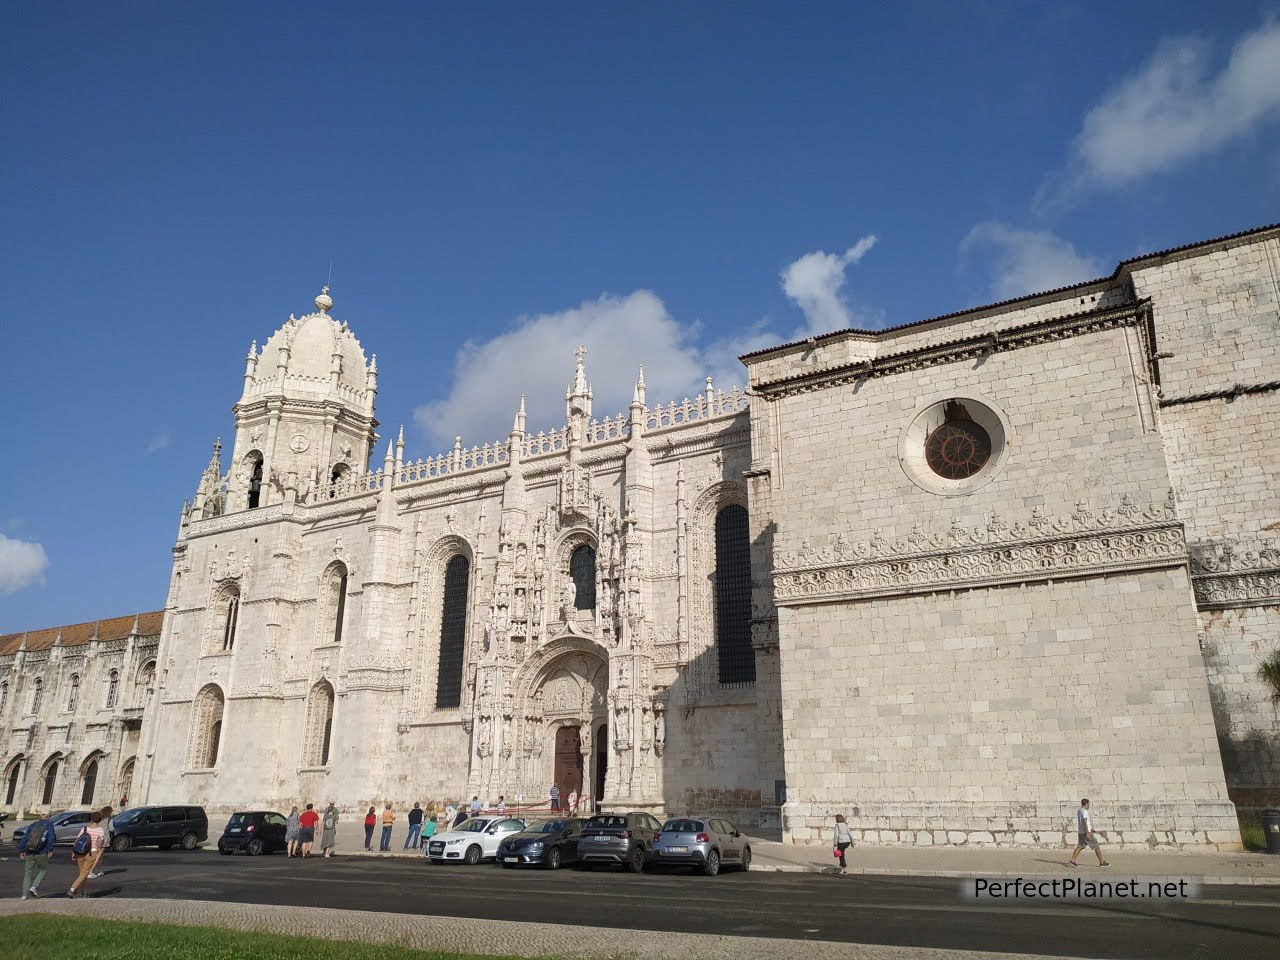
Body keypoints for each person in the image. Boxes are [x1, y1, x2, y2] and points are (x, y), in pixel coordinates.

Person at [67, 812, 107, 898]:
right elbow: (101, 841)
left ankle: (83, 892)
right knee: (84, 873)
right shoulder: (100, 830)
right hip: (92, 852)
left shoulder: (85, 828)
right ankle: (72, 889)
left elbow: (77, 840)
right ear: (100, 820)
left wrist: (73, 852)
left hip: (80, 852)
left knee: (82, 873)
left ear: (91, 819)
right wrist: (100, 847)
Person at [18, 815, 56, 900]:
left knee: (28, 873)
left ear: (40, 817)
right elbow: (51, 837)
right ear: (48, 817)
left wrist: (21, 850)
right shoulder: (49, 825)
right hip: (42, 852)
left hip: (29, 852)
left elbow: (26, 837)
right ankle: (34, 887)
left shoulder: (33, 824)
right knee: (43, 869)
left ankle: (24, 895)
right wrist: (50, 850)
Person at [1069, 798, 1110, 867]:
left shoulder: (1079, 811)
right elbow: (1084, 821)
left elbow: (1082, 822)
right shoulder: (1084, 811)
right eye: (1089, 804)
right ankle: (1102, 862)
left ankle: (1072, 860)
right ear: (1086, 804)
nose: (1089, 806)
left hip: (1081, 832)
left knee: (1080, 846)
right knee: (1096, 846)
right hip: (1086, 833)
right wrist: (1088, 832)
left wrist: (1090, 829)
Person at [88, 804, 114, 879]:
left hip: (96, 836)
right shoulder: (109, 819)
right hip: (104, 838)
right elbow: (111, 828)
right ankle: (90, 871)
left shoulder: (98, 817)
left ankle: (99, 870)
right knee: (98, 855)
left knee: (100, 856)